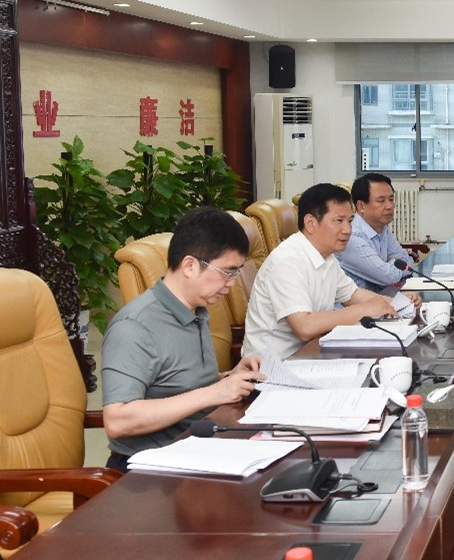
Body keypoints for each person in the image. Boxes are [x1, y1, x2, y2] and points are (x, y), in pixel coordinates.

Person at [101, 208, 267, 471]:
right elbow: (117, 420)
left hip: (200, 446)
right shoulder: (135, 326)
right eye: (228, 272)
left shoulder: (196, 309)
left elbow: (176, 384)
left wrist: (229, 378)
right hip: (150, 467)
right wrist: (214, 393)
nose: (232, 283)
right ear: (189, 266)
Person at [243, 183, 400, 359]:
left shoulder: (327, 256)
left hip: (311, 355)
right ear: (310, 223)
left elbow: (352, 294)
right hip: (274, 365)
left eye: (350, 221)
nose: (348, 230)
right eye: (339, 221)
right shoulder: (287, 261)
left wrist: (400, 304)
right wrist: (364, 310)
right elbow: (305, 327)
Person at [337, 173, 414, 294]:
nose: (389, 206)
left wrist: (389, 266)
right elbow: (389, 277)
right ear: (361, 206)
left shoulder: (381, 228)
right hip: (357, 304)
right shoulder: (352, 237)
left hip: (381, 297)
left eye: (391, 199)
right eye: (381, 200)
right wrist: (392, 264)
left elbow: (407, 261)